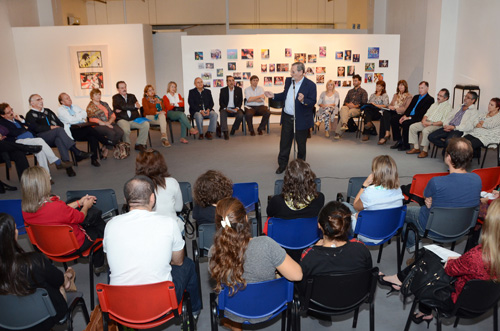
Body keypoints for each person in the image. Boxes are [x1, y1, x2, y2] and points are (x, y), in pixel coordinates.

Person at [379, 198, 500, 327]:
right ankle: (421, 308)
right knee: (429, 263)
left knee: (427, 262)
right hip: (487, 300)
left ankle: (400, 280)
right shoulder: (482, 255)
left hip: (459, 302)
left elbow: (450, 269)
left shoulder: (478, 255)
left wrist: (453, 261)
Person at [103, 176, 201, 317]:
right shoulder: (168, 223)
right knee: (188, 265)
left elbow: (110, 258)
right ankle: (194, 311)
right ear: (153, 199)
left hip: (121, 305)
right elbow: (178, 261)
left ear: (125, 201)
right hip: (162, 304)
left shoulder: (111, 224)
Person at [209, 197, 303, 331]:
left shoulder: (214, 253)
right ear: (246, 219)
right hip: (270, 305)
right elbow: (297, 275)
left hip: (233, 309)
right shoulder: (266, 244)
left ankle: (235, 325)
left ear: (219, 225)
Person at [21, 166, 106, 273]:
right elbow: (80, 217)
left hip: (47, 246)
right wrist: (86, 206)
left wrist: (79, 202)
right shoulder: (56, 207)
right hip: (73, 247)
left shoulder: (26, 208)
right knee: (97, 224)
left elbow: (58, 212)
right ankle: (99, 264)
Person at [0, 213, 78, 330]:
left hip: (6, 321)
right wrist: (65, 277)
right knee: (58, 283)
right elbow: (57, 280)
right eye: (15, 228)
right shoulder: (33, 262)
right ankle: (68, 276)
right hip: (45, 318)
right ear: (11, 235)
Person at [403, 138, 482, 251]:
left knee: (402, 212)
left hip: (431, 228)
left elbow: (427, 197)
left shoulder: (436, 182)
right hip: (462, 229)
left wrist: (428, 200)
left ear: (448, 157)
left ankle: (415, 248)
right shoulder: (477, 179)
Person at [298, 201, 373, 292]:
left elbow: (303, 288)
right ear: (348, 225)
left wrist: (313, 249)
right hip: (353, 300)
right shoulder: (361, 249)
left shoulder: (309, 256)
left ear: (319, 225)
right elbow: (367, 277)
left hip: (318, 304)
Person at [264, 62, 317, 174]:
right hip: (287, 117)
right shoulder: (289, 81)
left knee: (301, 145)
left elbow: (312, 102)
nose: (291, 73)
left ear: (301, 72)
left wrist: (303, 101)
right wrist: (273, 95)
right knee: (284, 143)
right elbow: (285, 95)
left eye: (293, 71)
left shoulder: (311, 85)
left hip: (301, 119)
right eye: (291, 71)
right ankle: (282, 165)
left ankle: (301, 167)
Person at [0, 103, 72, 182]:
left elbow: (32, 127)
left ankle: (47, 177)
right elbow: (13, 133)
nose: (11, 113)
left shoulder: (19, 118)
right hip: (18, 142)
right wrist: (25, 129)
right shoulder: (3, 123)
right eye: (8, 112)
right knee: (39, 140)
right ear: (2, 115)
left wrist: (22, 121)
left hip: (30, 140)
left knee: (40, 150)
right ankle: (57, 162)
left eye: (11, 110)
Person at [26, 94, 92, 177]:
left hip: (54, 135)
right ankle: (76, 151)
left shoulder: (47, 111)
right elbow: (36, 128)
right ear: (32, 103)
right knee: (58, 130)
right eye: (38, 100)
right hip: (41, 138)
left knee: (59, 139)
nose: (41, 101)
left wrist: (55, 128)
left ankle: (68, 166)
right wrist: (50, 127)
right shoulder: (30, 115)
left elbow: (60, 123)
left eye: (41, 99)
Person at [344, 155, 404, 243]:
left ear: (375, 172)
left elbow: (356, 205)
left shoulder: (370, 192)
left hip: (365, 233)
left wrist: (365, 184)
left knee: (344, 206)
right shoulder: (398, 189)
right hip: (389, 231)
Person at [266, 159, 325, 234]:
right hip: (308, 237)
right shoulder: (319, 198)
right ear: (310, 178)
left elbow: (270, 214)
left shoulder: (277, 201)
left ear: (287, 180)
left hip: (284, 238)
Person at [57, 92, 112, 167]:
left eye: (69, 97)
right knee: (90, 130)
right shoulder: (60, 110)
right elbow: (69, 120)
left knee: (93, 137)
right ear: (62, 102)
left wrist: (75, 116)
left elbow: (85, 114)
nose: (69, 99)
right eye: (67, 99)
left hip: (82, 128)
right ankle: (104, 141)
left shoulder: (75, 106)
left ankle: (94, 159)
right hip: (73, 131)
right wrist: (78, 116)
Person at [135, 149, 184, 232]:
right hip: (170, 229)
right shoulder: (172, 182)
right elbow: (178, 208)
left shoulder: (135, 186)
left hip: (147, 230)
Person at [406, 88, 452, 158]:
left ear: (446, 98)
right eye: (438, 95)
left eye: (440, 96)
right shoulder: (435, 104)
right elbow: (427, 113)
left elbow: (443, 122)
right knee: (413, 127)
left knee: (426, 131)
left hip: (436, 125)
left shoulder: (448, 107)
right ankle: (416, 148)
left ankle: (425, 151)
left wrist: (430, 124)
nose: (438, 97)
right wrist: (424, 120)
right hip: (427, 122)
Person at [391, 81, 434, 151]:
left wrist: (409, 118)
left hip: (418, 118)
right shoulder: (416, 97)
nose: (420, 90)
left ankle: (406, 145)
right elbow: (409, 108)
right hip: (409, 115)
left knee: (405, 123)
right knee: (394, 119)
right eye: (419, 88)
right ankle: (399, 140)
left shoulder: (430, 99)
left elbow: (422, 113)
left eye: (422, 88)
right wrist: (404, 116)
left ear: (427, 88)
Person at [86, 88, 124, 159]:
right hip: (97, 125)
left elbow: (112, 114)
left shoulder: (104, 104)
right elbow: (92, 119)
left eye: (99, 94)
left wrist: (109, 122)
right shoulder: (90, 107)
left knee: (120, 132)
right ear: (92, 97)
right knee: (111, 133)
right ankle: (106, 151)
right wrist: (106, 124)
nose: (98, 96)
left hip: (108, 122)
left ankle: (105, 146)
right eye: (96, 95)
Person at [112, 81, 150, 152]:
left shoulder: (132, 96)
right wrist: (133, 106)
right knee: (126, 130)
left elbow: (138, 106)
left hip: (134, 119)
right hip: (122, 119)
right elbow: (123, 106)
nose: (124, 89)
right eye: (122, 88)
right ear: (118, 89)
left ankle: (139, 144)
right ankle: (127, 145)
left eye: (125, 87)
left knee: (146, 124)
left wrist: (125, 108)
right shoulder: (115, 97)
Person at [378, 80, 412, 145]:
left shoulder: (409, 96)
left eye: (402, 85)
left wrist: (395, 108)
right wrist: (390, 107)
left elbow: (406, 108)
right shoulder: (395, 95)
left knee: (390, 118)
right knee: (385, 113)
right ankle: (387, 133)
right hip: (393, 111)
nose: (400, 86)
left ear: (405, 86)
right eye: (399, 85)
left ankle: (386, 136)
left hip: (401, 113)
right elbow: (390, 104)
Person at [334, 74, 368, 139]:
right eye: (353, 81)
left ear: (360, 82)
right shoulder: (350, 91)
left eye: (355, 81)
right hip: (348, 107)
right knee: (343, 108)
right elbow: (345, 102)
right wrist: (348, 105)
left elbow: (364, 103)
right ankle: (344, 124)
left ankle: (338, 132)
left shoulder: (363, 92)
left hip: (357, 109)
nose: (354, 82)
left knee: (346, 114)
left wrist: (355, 106)